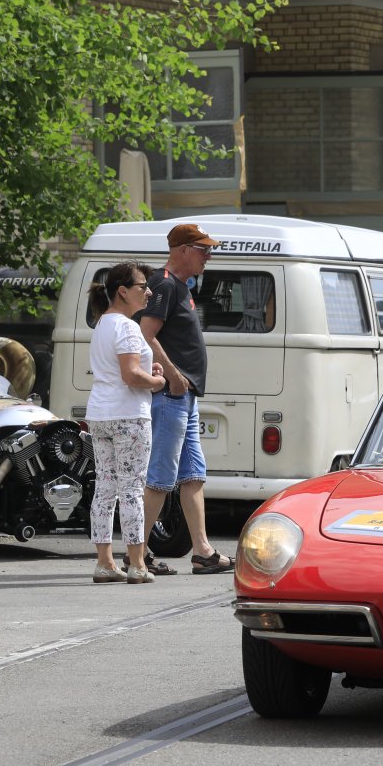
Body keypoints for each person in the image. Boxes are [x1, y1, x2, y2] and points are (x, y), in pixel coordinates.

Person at [139, 222, 235, 575]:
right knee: (160, 477)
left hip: (184, 397)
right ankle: (137, 552)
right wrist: (175, 376)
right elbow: (146, 334)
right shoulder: (164, 283)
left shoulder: (178, 285)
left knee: (193, 474)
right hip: (171, 396)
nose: (208, 256)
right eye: (203, 249)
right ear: (182, 250)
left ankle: (202, 551)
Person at [85, 261, 167, 584]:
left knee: (104, 489)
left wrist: (148, 374)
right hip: (129, 416)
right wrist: (157, 382)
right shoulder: (128, 327)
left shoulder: (102, 324)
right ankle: (137, 564)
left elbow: (123, 371)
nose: (148, 292)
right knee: (132, 490)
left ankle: (105, 562)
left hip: (100, 414)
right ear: (122, 291)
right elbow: (131, 376)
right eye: (142, 287)